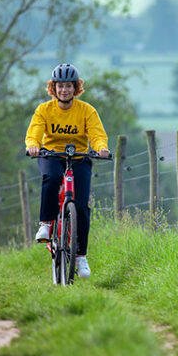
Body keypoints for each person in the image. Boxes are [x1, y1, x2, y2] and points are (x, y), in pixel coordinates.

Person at [25, 63, 109, 279]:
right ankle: (46, 223)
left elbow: (97, 134)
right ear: (53, 88)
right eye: (60, 86)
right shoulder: (44, 110)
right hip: (51, 155)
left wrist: (101, 148)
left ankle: (80, 256)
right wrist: (33, 145)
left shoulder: (86, 110)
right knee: (51, 178)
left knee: (81, 206)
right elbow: (34, 131)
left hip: (79, 157)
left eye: (69, 86)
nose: (64, 90)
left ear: (76, 88)